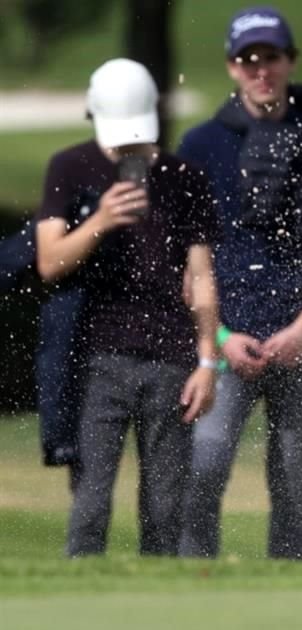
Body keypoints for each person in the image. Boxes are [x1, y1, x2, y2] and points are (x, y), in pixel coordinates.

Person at [177, 6, 302, 560]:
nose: (261, 69)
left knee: (290, 485)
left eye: (271, 58)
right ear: (233, 68)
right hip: (228, 344)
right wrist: (221, 338)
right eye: (248, 59)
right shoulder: (202, 145)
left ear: (290, 62)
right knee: (204, 473)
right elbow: (190, 263)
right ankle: (193, 591)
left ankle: (288, 600)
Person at [34, 58, 220, 557]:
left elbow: (202, 277)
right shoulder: (68, 167)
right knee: (90, 505)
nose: (124, 148)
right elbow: (49, 262)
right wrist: (101, 220)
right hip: (95, 360)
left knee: (164, 511)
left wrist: (207, 361)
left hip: (173, 363)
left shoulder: (186, 178)